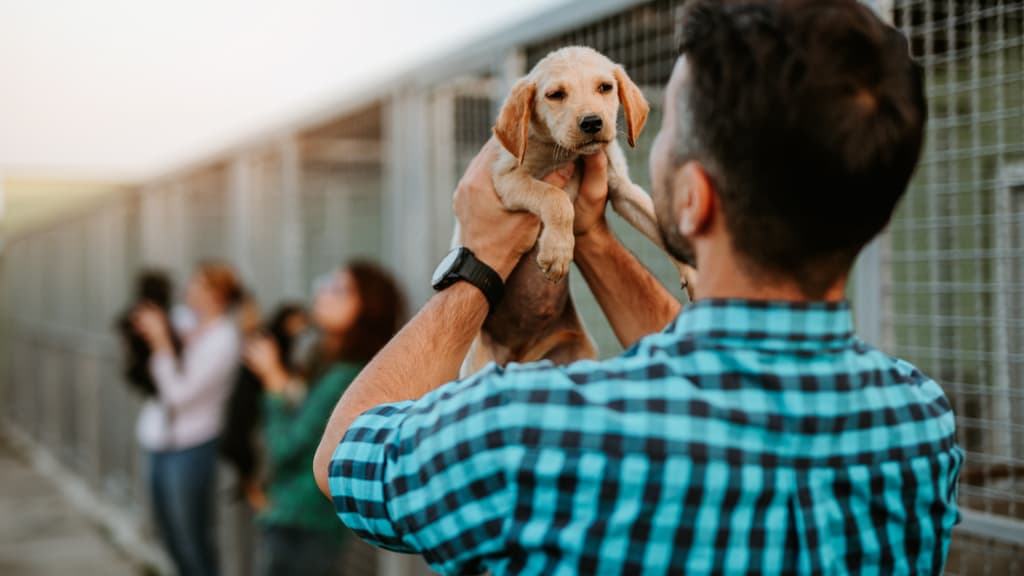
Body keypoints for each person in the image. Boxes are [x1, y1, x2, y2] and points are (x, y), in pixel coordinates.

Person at [314, 1, 963, 574]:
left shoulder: (529, 430)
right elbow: (719, 379)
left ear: (693, 199)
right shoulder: (918, 422)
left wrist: (480, 262)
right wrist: (593, 235)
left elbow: (344, 457)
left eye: (666, 131)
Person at [246, 262, 405, 576]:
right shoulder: (329, 362)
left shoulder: (346, 376)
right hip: (300, 521)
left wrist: (273, 381)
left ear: (368, 310)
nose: (323, 292)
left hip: (304, 524)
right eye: (328, 282)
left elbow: (285, 447)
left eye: (340, 290)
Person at [133, 262, 246, 576]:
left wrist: (161, 342)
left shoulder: (225, 339)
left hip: (193, 445)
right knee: (168, 533)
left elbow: (179, 395)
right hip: (158, 440)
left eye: (199, 284)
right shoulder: (183, 320)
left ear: (219, 295)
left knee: (191, 538)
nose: (189, 289)